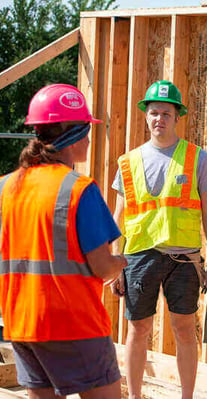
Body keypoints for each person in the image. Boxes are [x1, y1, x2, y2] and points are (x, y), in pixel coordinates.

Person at [0, 84, 127, 398]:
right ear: (75, 136)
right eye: (86, 130)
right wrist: (124, 262)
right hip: (73, 323)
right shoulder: (79, 189)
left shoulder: (5, 186)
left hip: (22, 323)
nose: (88, 138)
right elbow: (101, 267)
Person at [109, 80, 207, 399]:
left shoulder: (197, 158)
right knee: (138, 329)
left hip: (184, 260)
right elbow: (119, 216)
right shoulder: (128, 162)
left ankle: (187, 396)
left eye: (166, 113)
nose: (159, 118)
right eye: (154, 112)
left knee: (185, 329)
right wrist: (116, 262)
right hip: (139, 257)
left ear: (177, 117)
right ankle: (133, 396)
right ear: (146, 116)